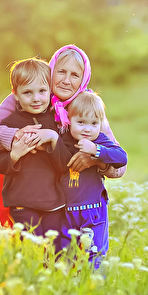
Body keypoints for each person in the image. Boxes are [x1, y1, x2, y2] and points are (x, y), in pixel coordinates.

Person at [0, 45, 126, 227]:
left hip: (74, 199)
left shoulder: (87, 106)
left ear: (83, 78)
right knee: (27, 238)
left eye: (75, 75)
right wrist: (16, 134)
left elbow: (119, 168)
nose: (66, 81)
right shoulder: (32, 94)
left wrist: (95, 159)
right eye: (61, 72)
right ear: (51, 71)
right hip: (27, 189)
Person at [0, 58, 65, 242]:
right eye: (27, 93)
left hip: (55, 203)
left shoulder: (58, 122)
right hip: (21, 203)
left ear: (50, 90)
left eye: (42, 91)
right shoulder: (9, 125)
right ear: (15, 95)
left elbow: (65, 164)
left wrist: (54, 139)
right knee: (32, 248)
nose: (36, 98)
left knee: (56, 251)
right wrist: (14, 155)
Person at [61, 91, 127, 268]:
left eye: (94, 123)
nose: (87, 129)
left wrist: (96, 151)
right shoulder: (64, 140)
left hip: (94, 210)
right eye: (81, 122)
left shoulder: (99, 140)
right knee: (66, 255)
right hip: (65, 212)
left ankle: (95, 281)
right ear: (69, 120)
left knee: (94, 253)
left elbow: (122, 158)